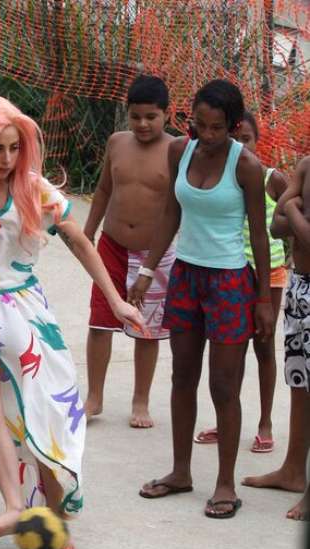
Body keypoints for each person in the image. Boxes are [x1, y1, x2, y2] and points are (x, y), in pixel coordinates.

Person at [0, 95, 144, 541]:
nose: (6, 159)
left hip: (26, 313)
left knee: (38, 412)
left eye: (13, 147)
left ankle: (49, 509)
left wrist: (117, 300)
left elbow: (82, 243)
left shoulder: (35, 190)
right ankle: (13, 505)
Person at [131, 80, 274, 519]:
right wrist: (148, 269)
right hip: (186, 276)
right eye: (199, 125)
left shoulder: (245, 165)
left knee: (224, 386)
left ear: (232, 127)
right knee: (181, 377)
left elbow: (257, 231)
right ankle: (180, 472)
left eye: (217, 128)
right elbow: (171, 211)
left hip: (230, 282)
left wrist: (263, 298)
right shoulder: (180, 151)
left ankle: (225, 483)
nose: (207, 136)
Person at [82, 75, 176, 428]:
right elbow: (104, 189)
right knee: (99, 322)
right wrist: (87, 232)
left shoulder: (177, 150)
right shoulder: (117, 143)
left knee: (146, 330)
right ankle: (94, 397)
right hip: (111, 246)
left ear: (167, 113)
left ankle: (141, 400)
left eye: (151, 116)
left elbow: (176, 208)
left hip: (155, 253)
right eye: (135, 116)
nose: (143, 124)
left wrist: (151, 267)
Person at [194, 111, 288, 452]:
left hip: (268, 274)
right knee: (230, 351)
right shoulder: (222, 177)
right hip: (230, 271)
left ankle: (265, 422)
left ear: (257, 140)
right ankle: (226, 420)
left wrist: (289, 249)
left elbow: (293, 208)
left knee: (263, 346)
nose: (241, 146)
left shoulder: (270, 178)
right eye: (237, 140)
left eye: (247, 139)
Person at [243, 156, 310, 521]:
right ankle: (293, 470)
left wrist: (295, 212)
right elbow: (275, 225)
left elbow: (292, 220)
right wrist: (294, 213)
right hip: (300, 287)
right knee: (299, 382)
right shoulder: (306, 166)